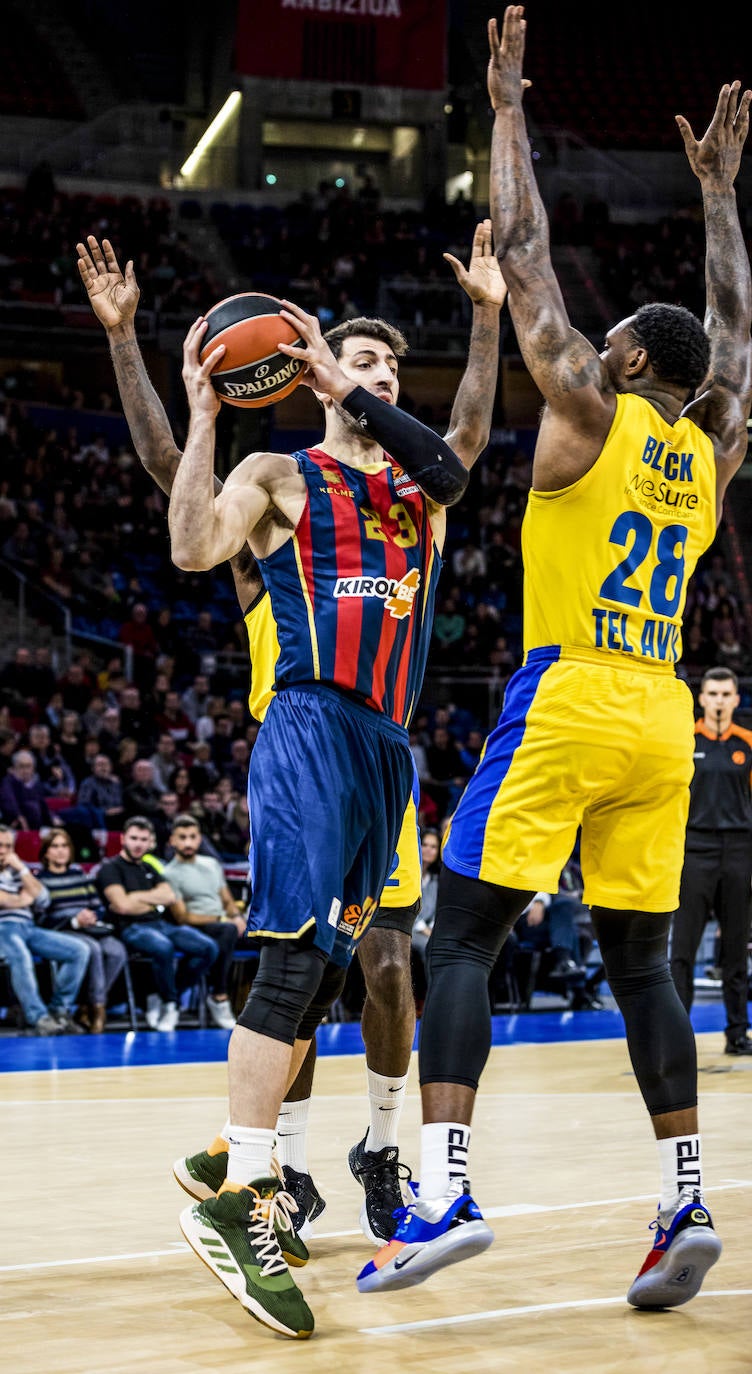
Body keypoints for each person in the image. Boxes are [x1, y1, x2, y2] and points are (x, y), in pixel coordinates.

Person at [357, 7, 752, 1315]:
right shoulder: (705, 450)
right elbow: (737, 339)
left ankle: (449, 1184)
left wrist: (507, 105)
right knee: (644, 962)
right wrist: (718, 200)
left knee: (460, 927)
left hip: (573, 686)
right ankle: (686, 1192)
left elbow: (523, 254)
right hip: (661, 718)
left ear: (630, 357)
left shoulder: (587, 409)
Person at [78, 225, 507, 1281]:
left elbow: (458, 441)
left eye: (389, 366)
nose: (378, 374)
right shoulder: (278, 482)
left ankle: (369, 1149)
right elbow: (174, 488)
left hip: (387, 753)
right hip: (307, 727)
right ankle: (271, 1173)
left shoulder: (418, 495)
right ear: (312, 378)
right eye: (361, 360)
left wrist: (490, 319)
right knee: (301, 972)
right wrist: (133, 347)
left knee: (387, 967)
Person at [670, 667, 752, 1055]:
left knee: (736, 951)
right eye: (713, 693)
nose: (719, 700)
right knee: (682, 951)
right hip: (694, 851)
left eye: (726, 694)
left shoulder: (748, 743)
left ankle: (738, 1033)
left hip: (738, 852)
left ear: (736, 699)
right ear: (701, 699)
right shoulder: (684, 741)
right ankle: (678, 1038)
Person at [95, 815, 216, 1032]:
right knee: (163, 947)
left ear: (150, 841)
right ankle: (170, 1004)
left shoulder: (149, 867)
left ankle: (166, 995)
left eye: (143, 839)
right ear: (123, 838)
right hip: (130, 928)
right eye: (133, 838)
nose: (138, 844)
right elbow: (121, 906)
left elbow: (169, 896)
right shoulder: (110, 868)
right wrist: (152, 899)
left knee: (208, 948)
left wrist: (136, 898)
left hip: (160, 924)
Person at [0, 824, 90, 1035]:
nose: (3, 851)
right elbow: (4, 900)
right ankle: (38, 1018)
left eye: (7, 846)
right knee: (21, 956)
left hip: (29, 927)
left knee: (79, 950)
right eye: (0, 846)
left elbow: (43, 898)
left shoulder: (16, 872)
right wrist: (21, 898)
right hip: (3, 928)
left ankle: (59, 1011)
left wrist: (21, 869)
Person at [37, 827, 128, 1033]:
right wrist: (73, 922)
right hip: (63, 932)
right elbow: (41, 920)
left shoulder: (81, 876)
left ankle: (87, 1005)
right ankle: (98, 1009)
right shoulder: (41, 881)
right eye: (55, 846)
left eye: (64, 846)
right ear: (46, 852)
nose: (60, 851)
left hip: (91, 927)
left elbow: (99, 906)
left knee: (116, 951)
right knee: (93, 949)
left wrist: (93, 916)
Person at [163, 813, 245, 1030]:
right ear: (172, 840)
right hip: (195, 927)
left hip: (224, 923)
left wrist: (237, 916)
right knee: (226, 931)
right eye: (182, 837)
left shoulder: (211, 864)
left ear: (200, 839)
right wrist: (224, 919)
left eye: (192, 837)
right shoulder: (168, 873)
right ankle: (219, 995)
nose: (188, 842)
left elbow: (226, 899)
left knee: (266, 937)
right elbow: (182, 917)